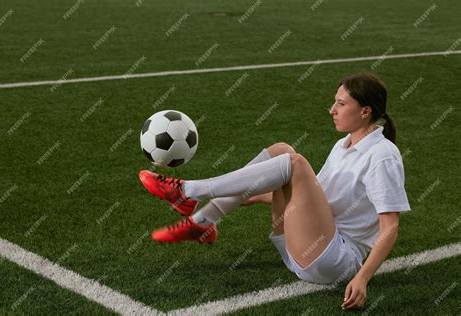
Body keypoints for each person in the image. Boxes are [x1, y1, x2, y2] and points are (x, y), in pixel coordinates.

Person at [139, 72, 411, 310]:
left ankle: (189, 191)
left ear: (365, 111)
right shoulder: (343, 145)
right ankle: (204, 219)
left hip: (335, 260)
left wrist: (362, 278)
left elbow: (391, 226)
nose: (332, 109)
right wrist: (248, 194)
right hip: (305, 249)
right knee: (282, 151)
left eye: (341, 104)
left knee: (293, 162)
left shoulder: (382, 155)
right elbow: (307, 201)